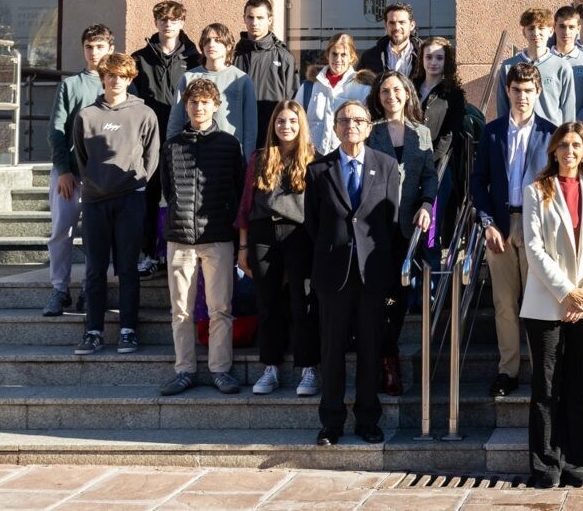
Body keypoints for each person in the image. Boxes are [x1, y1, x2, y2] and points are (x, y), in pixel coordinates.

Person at [304, 99, 402, 446]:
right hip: (333, 273)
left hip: (372, 272)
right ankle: (331, 422)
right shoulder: (318, 170)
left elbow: (390, 223)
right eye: (344, 120)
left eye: (358, 120)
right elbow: (313, 223)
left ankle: (367, 420)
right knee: (331, 350)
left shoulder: (387, 166)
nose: (351, 126)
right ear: (334, 127)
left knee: (370, 349)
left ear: (369, 127)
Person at [521, 122, 583, 488]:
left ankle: (575, 462)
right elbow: (533, 247)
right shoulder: (535, 190)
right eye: (564, 145)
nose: (570, 151)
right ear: (554, 150)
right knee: (545, 386)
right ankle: (545, 463)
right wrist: (565, 292)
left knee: (576, 385)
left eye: (576, 145)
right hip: (546, 303)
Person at [471, 63, 557, 397]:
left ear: (538, 92)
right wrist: (487, 222)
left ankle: (540, 372)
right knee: (504, 303)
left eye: (528, 90)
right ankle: (507, 371)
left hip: (538, 228)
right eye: (516, 90)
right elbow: (478, 182)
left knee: (537, 303)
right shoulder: (491, 132)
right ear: (508, 92)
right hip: (501, 226)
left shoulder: (551, 133)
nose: (522, 96)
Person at [158, 78, 247, 397]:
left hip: (218, 235)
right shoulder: (172, 145)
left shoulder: (228, 144)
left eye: (205, 102)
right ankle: (184, 370)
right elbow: (167, 189)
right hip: (180, 236)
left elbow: (238, 190)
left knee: (220, 307)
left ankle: (220, 370)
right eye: (193, 102)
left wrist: (238, 237)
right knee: (180, 308)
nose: (199, 107)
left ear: (216, 106)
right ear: (186, 105)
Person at [71, 53, 160, 357]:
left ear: (130, 78)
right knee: (95, 268)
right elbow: (81, 158)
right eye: (110, 75)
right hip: (95, 200)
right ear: (102, 77)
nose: (115, 80)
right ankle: (93, 331)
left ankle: (128, 330)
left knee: (127, 268)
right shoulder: (86, 116)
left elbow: (152, 156)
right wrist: (95, 182)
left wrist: (137, 181)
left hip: (130, 198)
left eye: (121, 75)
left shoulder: (144, 113)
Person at [237, 100, 321, 399]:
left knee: (303, 303)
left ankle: (308, 367)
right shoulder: (259, 158)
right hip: (262, 233)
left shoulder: (314, 159)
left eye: (292, 122)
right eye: (281, 121)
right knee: (268, 304)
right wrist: (243, 245)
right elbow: (246, 205)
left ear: (301, 126)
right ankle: (269, 366)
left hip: (299, 235)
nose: (286, 126)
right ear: (273, 125)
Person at [365, 70, 440, 397]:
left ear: (407, 94)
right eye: (384, 91)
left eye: (396, 90)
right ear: (378, 97)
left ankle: (388, 357)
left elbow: (430, 176)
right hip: (372, 227)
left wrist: (426, 204)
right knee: (374, 294)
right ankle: (382, 358)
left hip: (406, 226)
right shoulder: (369, 131)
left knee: (395, 297)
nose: (391, 96)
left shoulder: (421, 133)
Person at [44, 24, 115, 318]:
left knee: (98, 235)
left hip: (104, 175)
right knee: (62, 231)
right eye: (89, 46)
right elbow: (56, 130)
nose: (94, 52)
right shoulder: (71, 85)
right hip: (71, 174)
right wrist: (63, 170)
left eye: (99, 46)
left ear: (110, 48)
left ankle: (91, 287)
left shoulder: (118, 84)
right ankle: (60, 289)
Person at [131, 0, 200, 277]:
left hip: (185, 138)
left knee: (180, 197)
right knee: (149, 196)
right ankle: (148, 254)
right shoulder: (139, 58)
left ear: (182, 22)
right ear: (155, 22)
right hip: (149, 139)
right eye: (162, 18)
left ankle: (178, 253)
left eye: (173, 19)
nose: (168, 23)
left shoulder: (194, 58)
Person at [168, 23, 258, 156]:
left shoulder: (241, 80)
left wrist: (247, 159)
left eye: (217, 40)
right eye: (207, 40)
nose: (211, 44)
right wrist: (172, 153)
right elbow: (176, 120)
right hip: (192, 152)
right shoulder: (188, 78)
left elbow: (250, 127)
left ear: (228, 46)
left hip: (229, 154)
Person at [416, 36, 467, 250]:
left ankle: (431, 278)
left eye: (439, 57)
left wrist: (429, 157)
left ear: (447, 61)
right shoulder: (411, 87)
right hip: (409, 164)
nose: (433, 62)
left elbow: (449, 134)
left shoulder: (453, 94)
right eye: (429, 57)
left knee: (430, 223)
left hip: (439, 165)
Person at [294, 33, 375, 155]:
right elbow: (295, 119)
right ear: (327, 55)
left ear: (352, 57)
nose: (338, 59)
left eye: (343, 55)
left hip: (347, 157)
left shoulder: (364, 89)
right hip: (311, 156)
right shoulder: (308, 87)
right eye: (334, 54)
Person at [234, 0, 299, 148]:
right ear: (244, 18)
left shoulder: (283, 57)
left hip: (272, 138)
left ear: (270, 20)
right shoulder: (233, 55)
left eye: (260, 18)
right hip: (237, 135)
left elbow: (293, 101)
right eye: (250, 17)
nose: (254, 23)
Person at [497, 8, 577, 126]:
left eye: (541, 28)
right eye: (531, 28)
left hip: (551, 135)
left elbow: (568, 107)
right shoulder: (508, 66)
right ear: (524, 32)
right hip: (517, 133)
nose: (536, 33)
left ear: (551, 31)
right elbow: (502, 105)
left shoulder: (562, 66)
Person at [550, 5, 583, 124]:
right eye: (562, 26)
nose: (566, 32)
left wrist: (577, 123)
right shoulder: (545, 60)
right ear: (554, 27)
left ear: (578, 28)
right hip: (549, 129)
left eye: (571, 27)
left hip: (581, 127)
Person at [357, 2, 418, 78]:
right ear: (385, 26)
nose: (396, 27)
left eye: (402, 22)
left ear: (412, 25)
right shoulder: (369, 56)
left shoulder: (424, 55)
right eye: (392, 23)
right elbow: (359, 85)